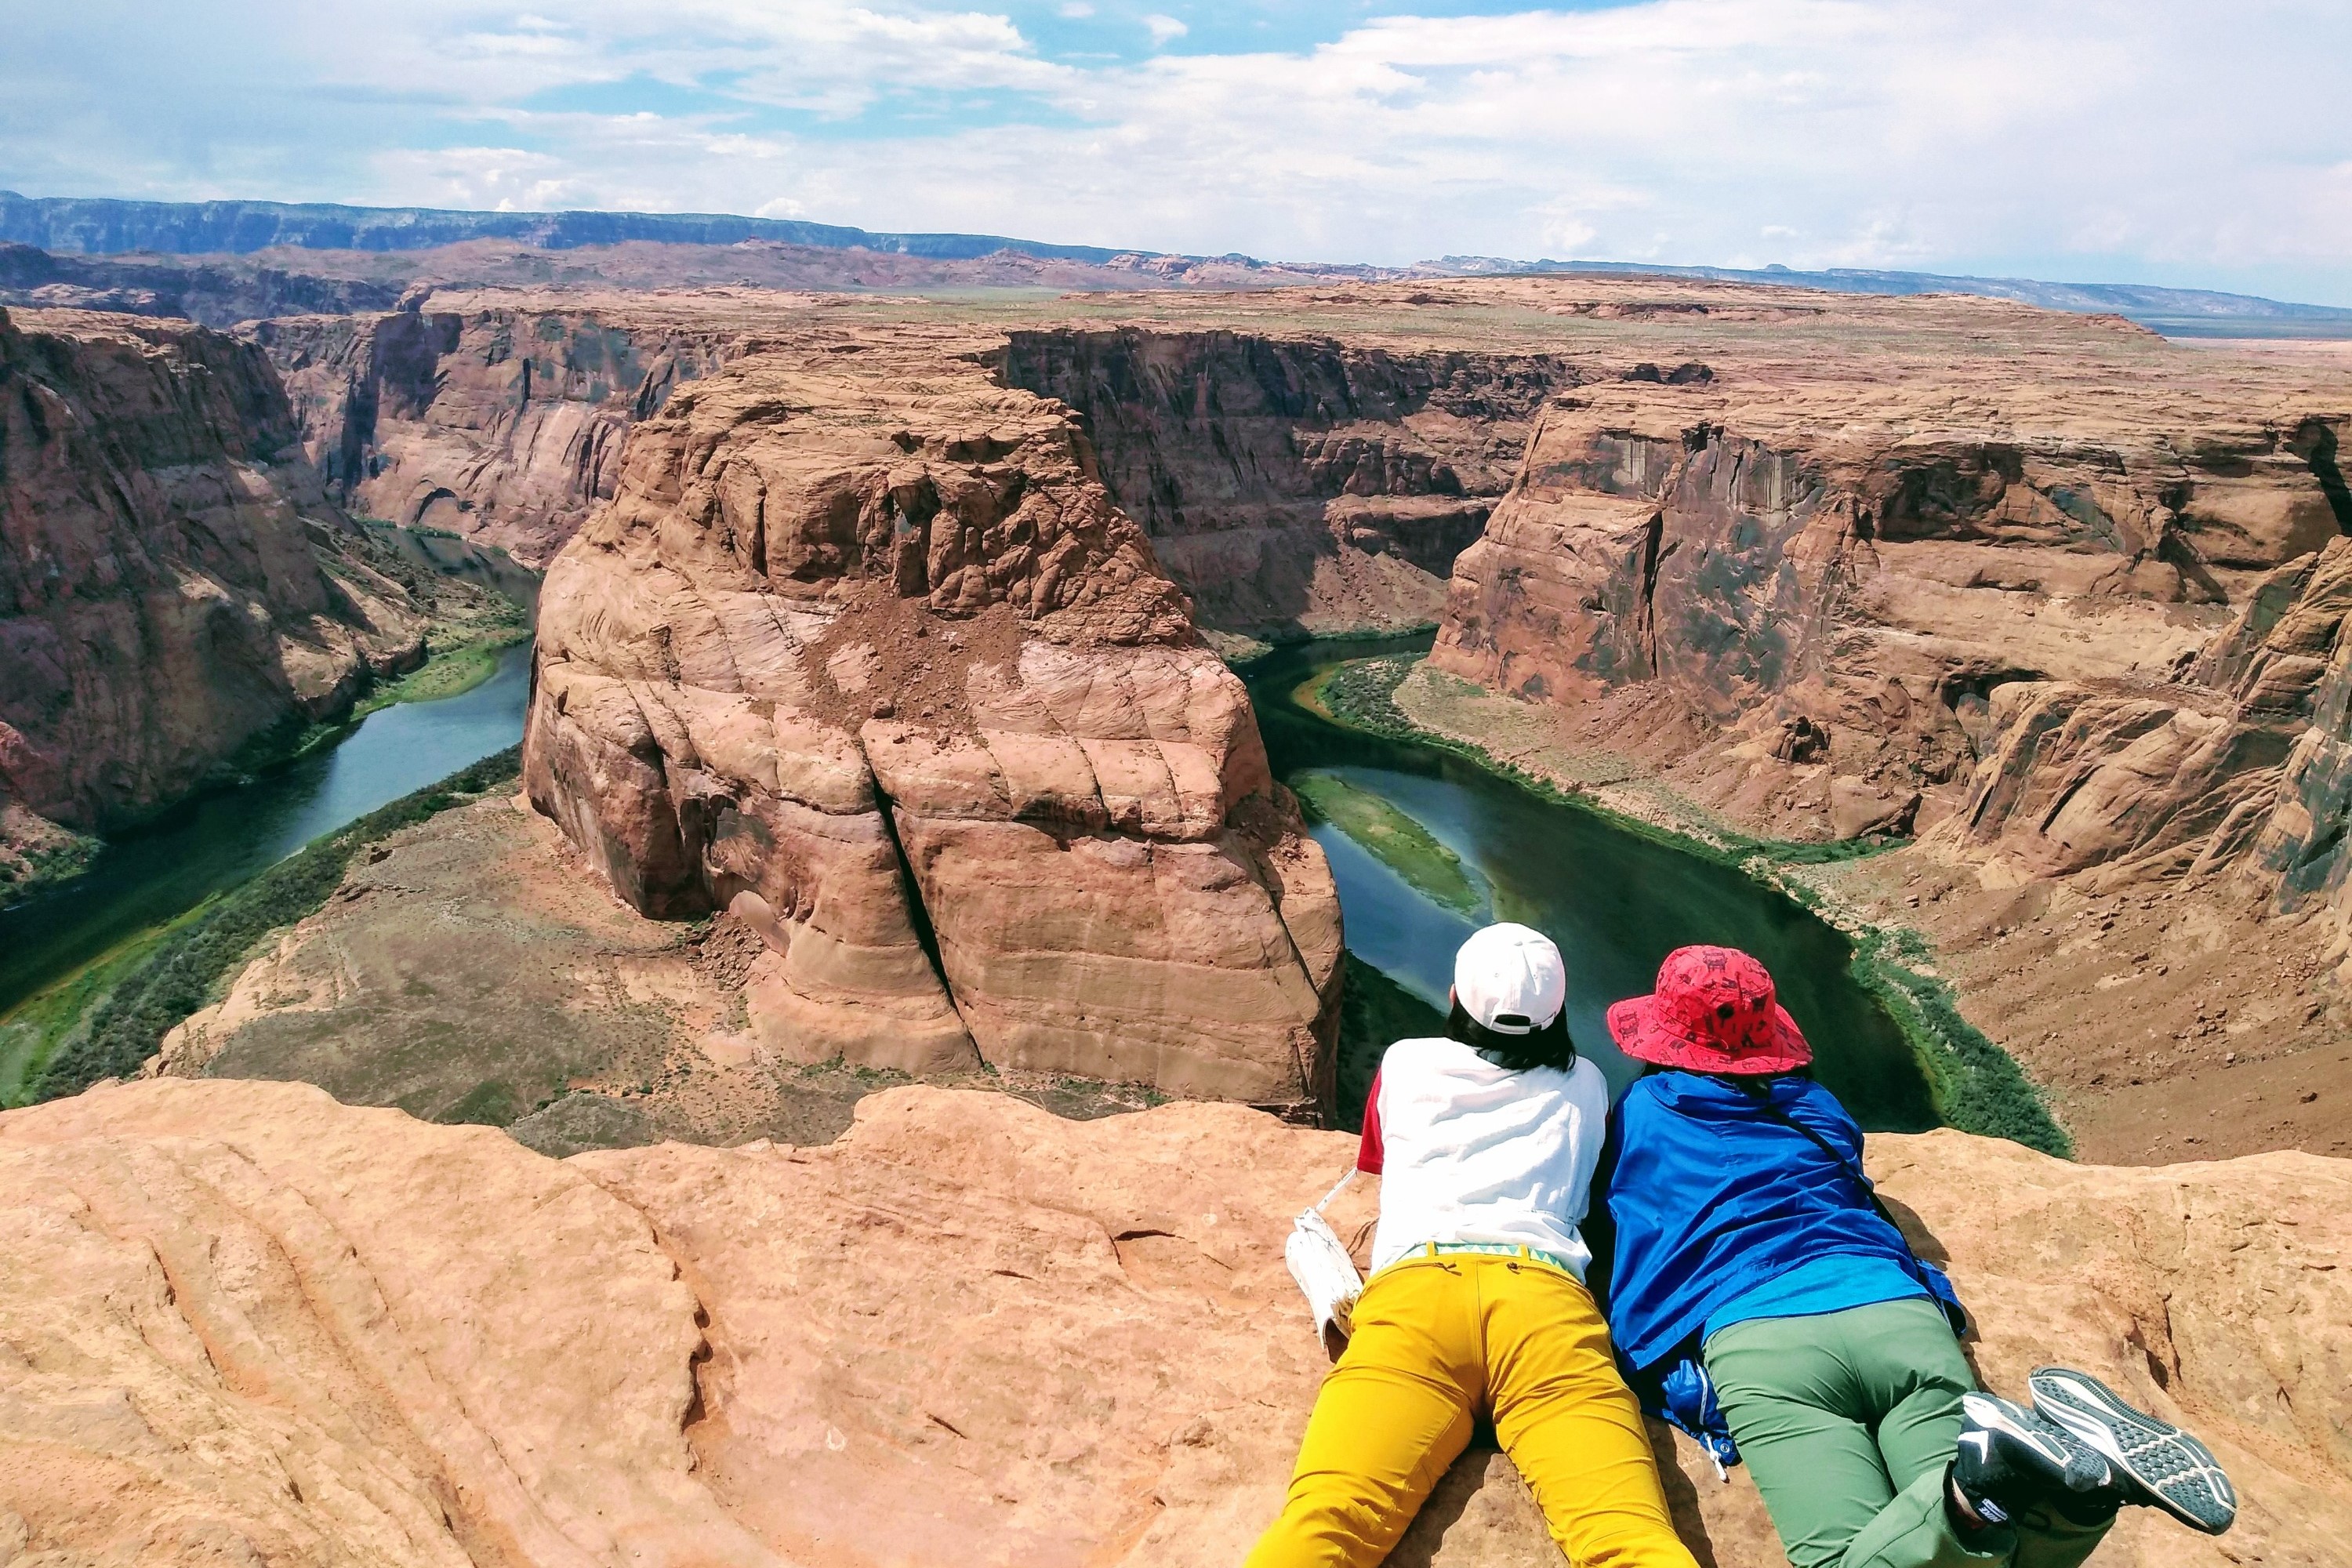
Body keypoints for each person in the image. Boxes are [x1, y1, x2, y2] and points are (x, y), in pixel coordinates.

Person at [1594, 944, 2238, 1568]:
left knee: (1853, 1555)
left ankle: (1974, 1499)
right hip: (1895, 1313)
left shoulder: (1643, 1112)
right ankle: (2074, 1502)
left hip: (1763, 1340)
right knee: (1975, 1552)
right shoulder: (1819, 1108)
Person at [1248, 923, 1700, 1568]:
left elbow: (1377, 1159)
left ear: (1457, 997)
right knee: (1631, 1541)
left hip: (1417, 1306)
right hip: (1545, 1311)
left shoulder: (1404, 1061)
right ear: (1557, 1013)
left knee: (1328, 1525)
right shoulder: (1589, 1083)